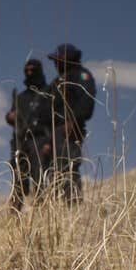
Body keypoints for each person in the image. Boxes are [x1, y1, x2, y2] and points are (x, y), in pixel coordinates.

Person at [46, 43, 96, 203]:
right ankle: (55, 208)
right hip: (52, 133)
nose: (55, 63)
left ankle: (72, 205)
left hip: (69, 130)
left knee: (67, 166)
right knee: (52, 171)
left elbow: (86, 102)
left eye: (58, 60)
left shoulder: (81, 76)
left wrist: (73, 121)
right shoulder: (56, 82)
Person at [5, 58, 52, 210]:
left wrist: (49, 143)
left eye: (33, 70)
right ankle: (15, 215)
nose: (29, 73)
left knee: (39, 178)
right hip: (20, 141)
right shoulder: (21, 97)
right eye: (27, 71)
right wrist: (11, 116)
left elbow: (55, 121)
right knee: (18, 178)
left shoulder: (48, 94)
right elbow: (13, 116)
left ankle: (42, 212)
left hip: (40, 139)